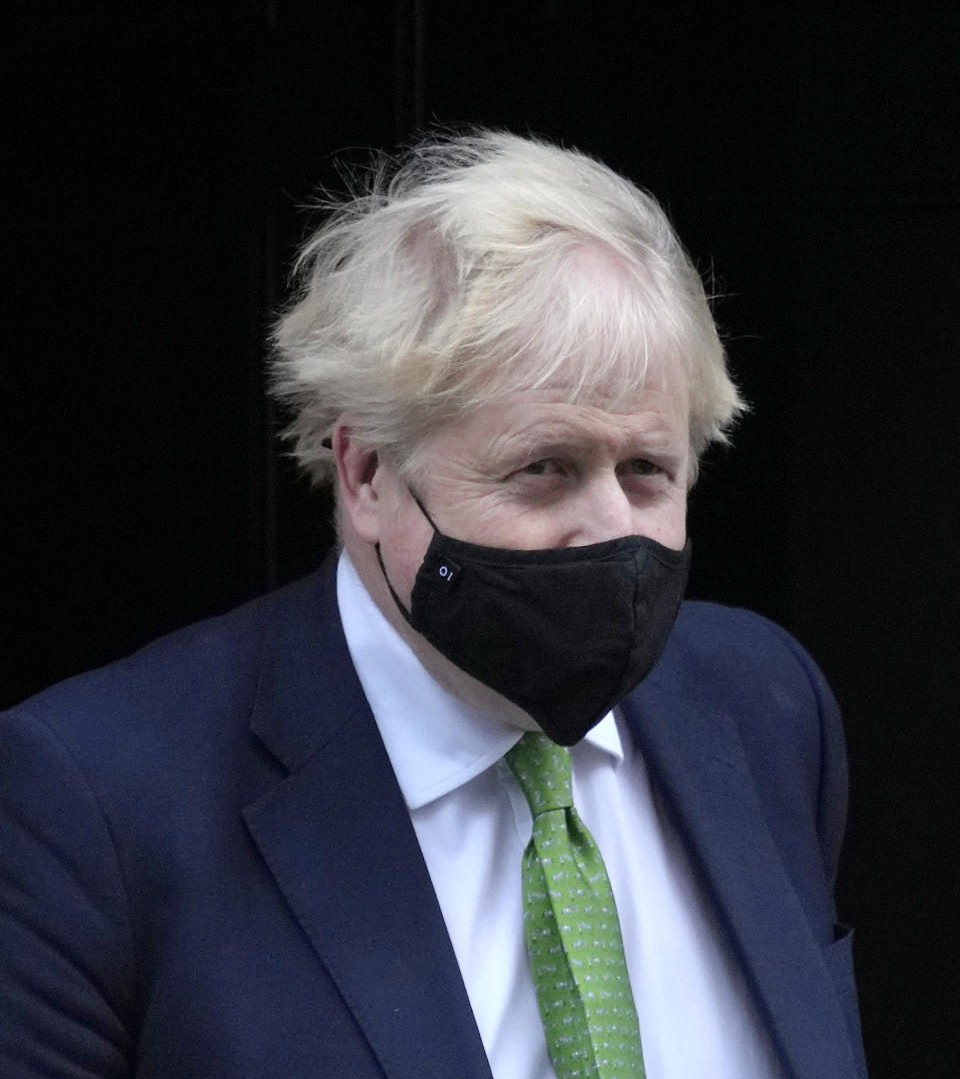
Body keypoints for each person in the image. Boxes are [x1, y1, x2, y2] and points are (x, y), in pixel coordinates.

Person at [0, 131, 867, 1079]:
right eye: (546, 468)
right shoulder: (97, 803)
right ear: (367, 472)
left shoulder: (764, 707)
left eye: (649, 471)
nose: (612, 532)